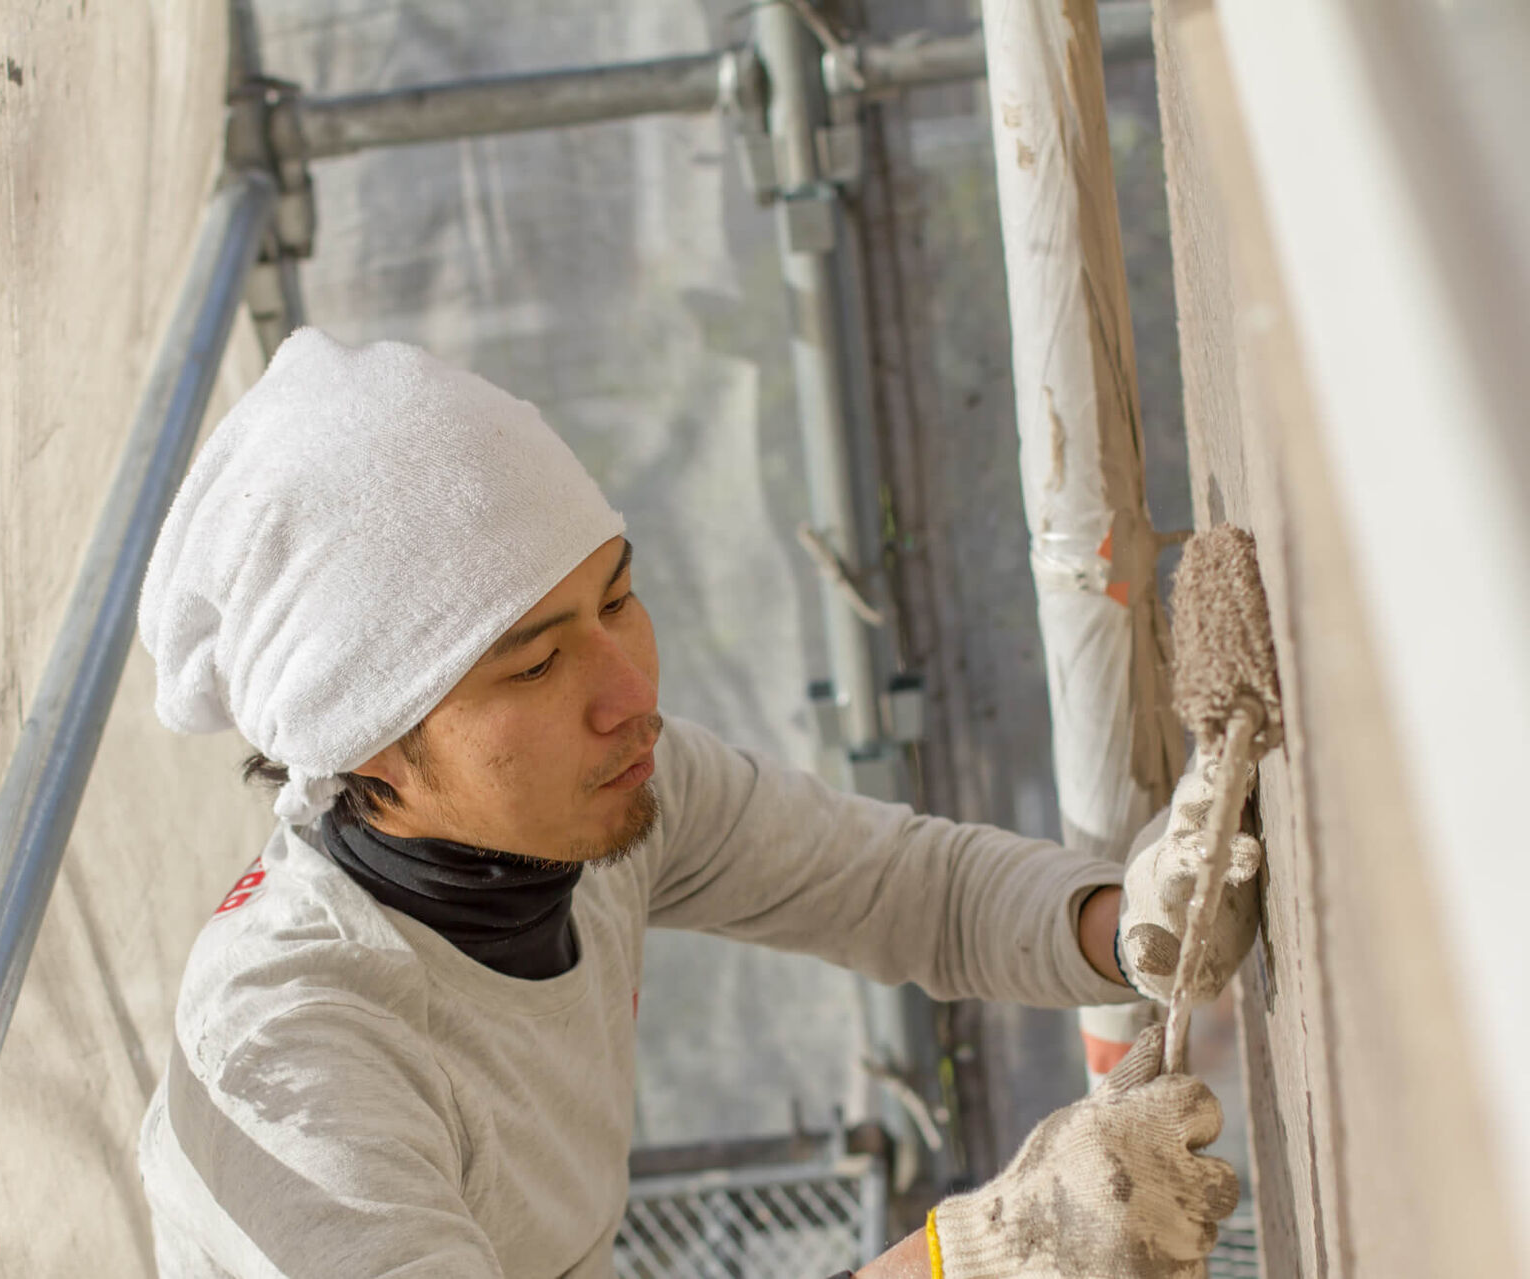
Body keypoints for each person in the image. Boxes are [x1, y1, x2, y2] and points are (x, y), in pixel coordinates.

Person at [134, 328, 1259, 1279]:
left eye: (617, 597)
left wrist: (1131, 925)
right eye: (533, 667)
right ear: (371, 751)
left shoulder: (598, 802)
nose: (629, 694)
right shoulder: (290, 1069)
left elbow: (910, 889)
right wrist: (978, 1254)